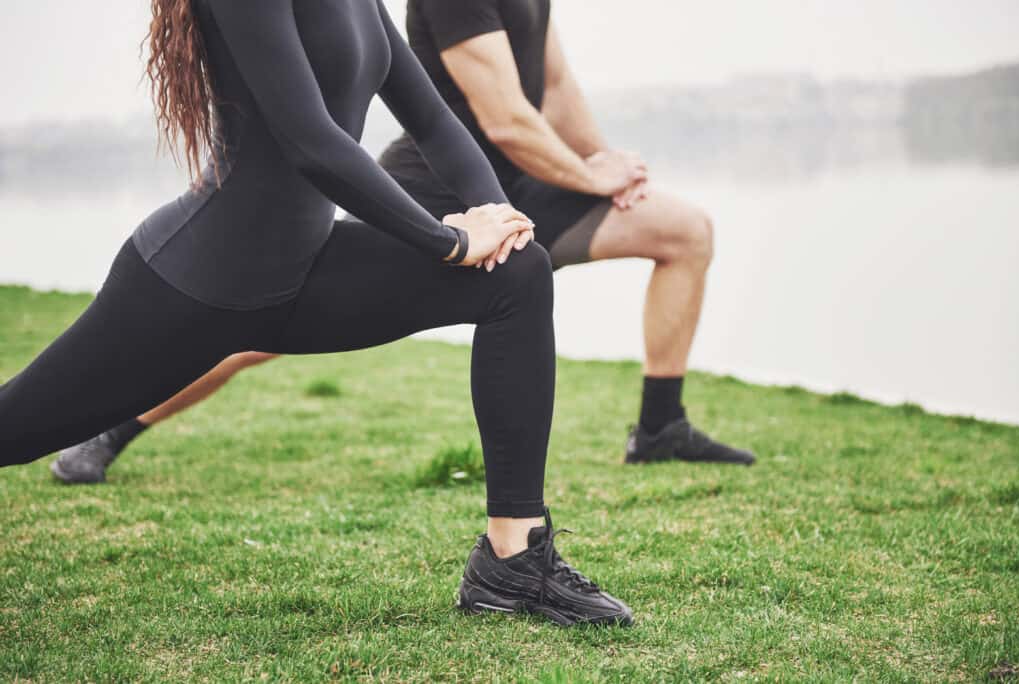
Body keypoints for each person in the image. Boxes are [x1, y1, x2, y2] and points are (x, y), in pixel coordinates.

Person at [2, 0, 631, 626]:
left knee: (519, 274)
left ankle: (513, 561)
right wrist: (452, 242)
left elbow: (435, 121)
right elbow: (312, 142)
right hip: (193, 283)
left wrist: (501, 219)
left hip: (302, 276)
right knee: (18, 430)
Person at [53, 0, 756, 484]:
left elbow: (558, 84)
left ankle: (660, 429)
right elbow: (504, 117)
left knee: (684, 231)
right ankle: (113, 429)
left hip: (530, 183)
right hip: (434, 191)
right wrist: (582, 174)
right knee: (255, 333)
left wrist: (605, 170)